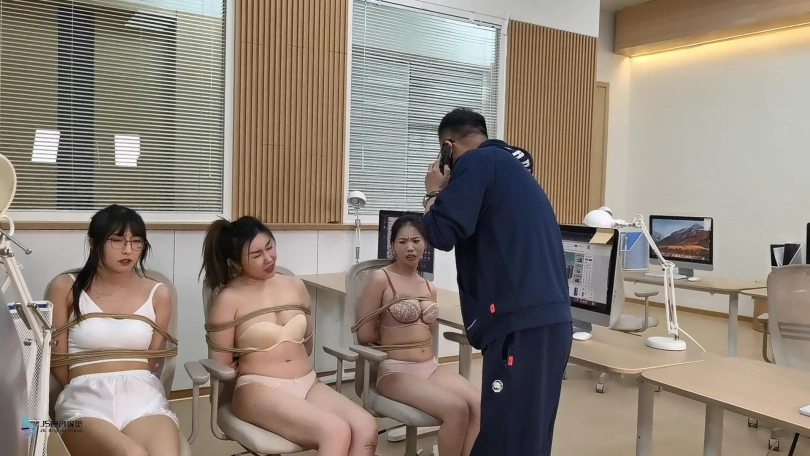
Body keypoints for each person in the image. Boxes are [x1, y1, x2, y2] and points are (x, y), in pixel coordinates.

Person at [420, 108, 573, 456]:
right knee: (529, 436)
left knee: (503, 437)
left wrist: (432, 193)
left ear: (448, 147)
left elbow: (440, 233)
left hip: (518, 325)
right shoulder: (513, 169)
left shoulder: (475, 162)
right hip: (552, 321)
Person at [201, 216, 379, 456]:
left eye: (270, 247)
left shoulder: (295, 285)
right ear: (236, 262)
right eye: (256, 255)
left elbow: (306, 345)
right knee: (335, 431)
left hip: (307, 383)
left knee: (366, 427)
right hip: (257, 388)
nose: (268, 258)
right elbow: (221, 367)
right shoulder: (228, 299)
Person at [48, 204, 180, 456]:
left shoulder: (159, 293)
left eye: (136, 241)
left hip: (143, 397)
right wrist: (84, 382)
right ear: (93, 243)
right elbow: (57, 358)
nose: (128, 250)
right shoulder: (65, 286)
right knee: (132, 454)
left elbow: (153, 360)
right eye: (117, 240)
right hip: (84, 398)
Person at [354, 214, 481, 456]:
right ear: (393, 246)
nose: (410, 248)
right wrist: (395, 337)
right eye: (402, 242)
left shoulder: (428, 287)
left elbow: (428, 332)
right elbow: (364, 333)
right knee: (457, 409)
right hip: (396, 371)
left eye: (416, 240)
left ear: (425, 244)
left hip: (430, 367)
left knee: (479, 405)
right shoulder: (380, 278)